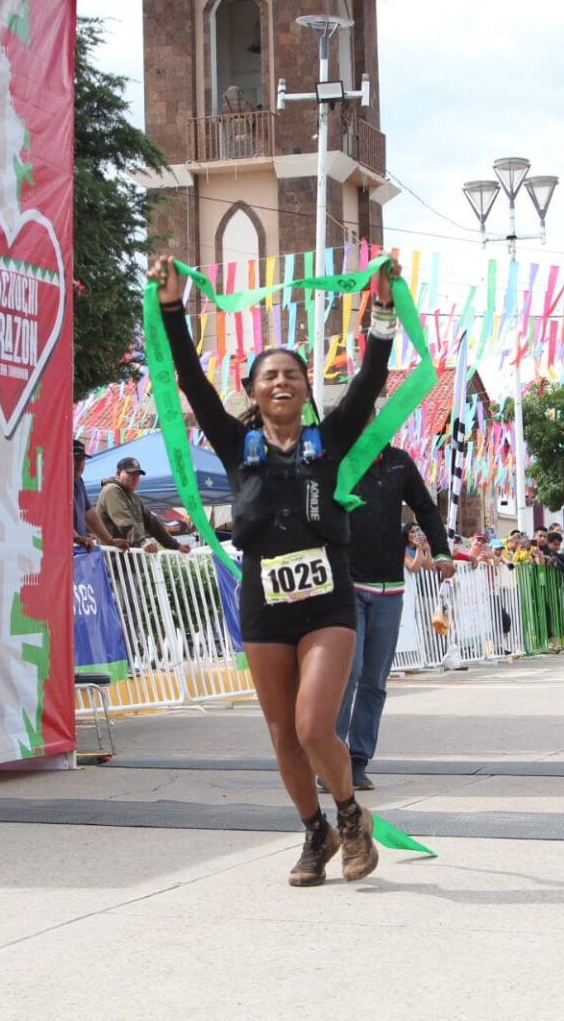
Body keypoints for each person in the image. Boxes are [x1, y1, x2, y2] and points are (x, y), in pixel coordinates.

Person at [151, 253, 395, 887]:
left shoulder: (331, 440)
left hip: (327, 604)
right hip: (264, 603)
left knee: (314, 725)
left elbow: (371, 376)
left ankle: (351, 818)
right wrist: (172, 307)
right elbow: (191, 380)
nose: (281, 382)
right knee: (283, 734)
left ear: (307, 388)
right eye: (269, 376)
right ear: (253, 390)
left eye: (292, 374)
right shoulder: (238, 446)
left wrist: (382, 308)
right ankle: (314, 831)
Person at [337, 446, 453, 791]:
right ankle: (330, 756)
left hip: (389, 586)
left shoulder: (399, 462)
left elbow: (426, 508)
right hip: (347, 583)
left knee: (374, 679)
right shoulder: (338, 456)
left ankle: (358, 760)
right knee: (348, 671)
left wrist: (442, 551)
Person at [96, 457, 189, 554]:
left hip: (131, 557)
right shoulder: (111, 490)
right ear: (118, 474)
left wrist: (176, 545)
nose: (135, 478)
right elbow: (124, 521)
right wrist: (141, 541)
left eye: (137, 474)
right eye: (130, 473)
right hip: (114, 558)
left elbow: (153, 523)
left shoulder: (134, 496)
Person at [72, 440, 126, 552]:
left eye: (82, 459)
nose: (80, 463)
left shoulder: (79, 481)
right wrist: (76, 538)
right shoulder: (56, 482)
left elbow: (89, 513)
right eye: (75, 458)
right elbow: (56, 518)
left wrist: (110, 540)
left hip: (76, 551)